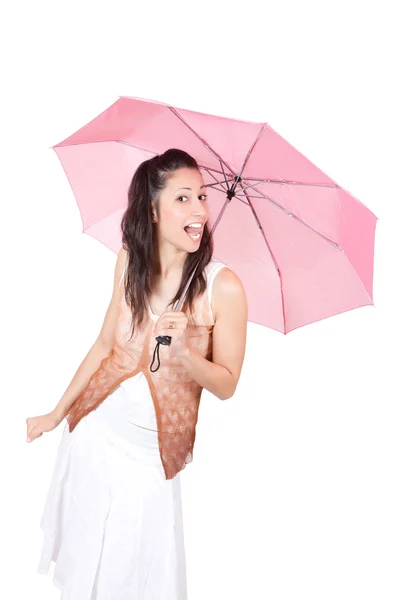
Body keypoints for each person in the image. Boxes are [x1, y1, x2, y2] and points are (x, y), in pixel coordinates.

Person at [26, 148, 248, 599]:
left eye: (202, 197)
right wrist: (55, 414)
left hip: (149, 457)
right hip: (94, 434)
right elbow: (106, 345)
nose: (200, 210)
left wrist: (187, 355)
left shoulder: (222, 287)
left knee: (136, 578)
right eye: (184, 198)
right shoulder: (130, 260)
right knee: (90, 572)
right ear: (152, 208)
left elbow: (227, 384)